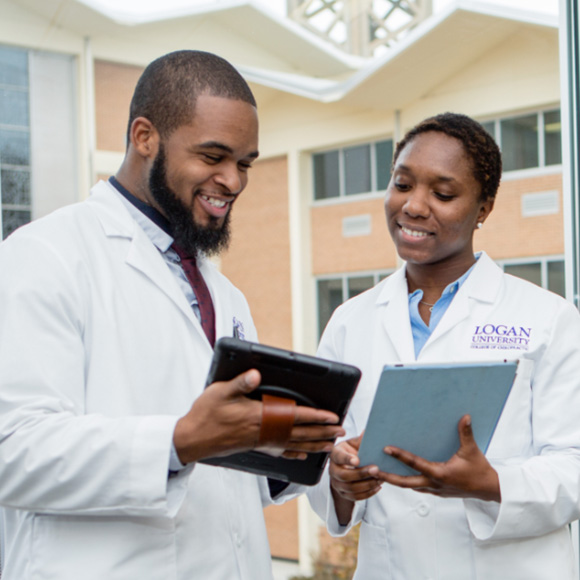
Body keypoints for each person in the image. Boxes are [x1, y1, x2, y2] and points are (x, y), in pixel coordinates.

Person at [0, 50, 344, 580]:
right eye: (213, 157)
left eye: (246, 163)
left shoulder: (221, 290)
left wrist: (289, 452)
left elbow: (221, 476)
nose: (233, 181)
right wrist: (181, 439)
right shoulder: (44, 255)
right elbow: (14, 452)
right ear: (144, 137)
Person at [307, 112, 580, 579]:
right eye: (402, 184)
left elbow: (574, 465)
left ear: (484, 208)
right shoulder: (350, 322)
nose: (413, 206)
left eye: (443, 193)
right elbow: (319, 452)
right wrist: (338, 482)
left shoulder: (548, 318)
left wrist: (492, 484)